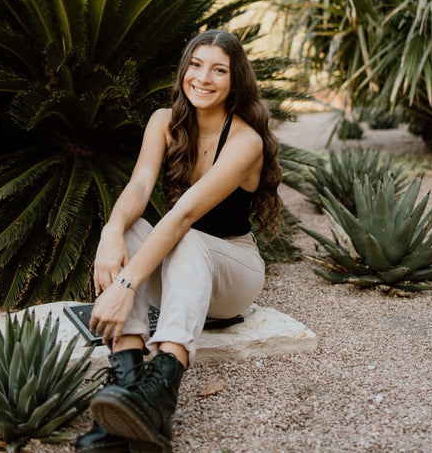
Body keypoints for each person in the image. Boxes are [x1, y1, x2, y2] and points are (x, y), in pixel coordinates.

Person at [74, 29, 283, 453]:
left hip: (233, 272)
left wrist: (125, 286)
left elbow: (185, 214)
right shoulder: (163, 121)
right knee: (132, 227)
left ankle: (162, 390)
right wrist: (111, 232)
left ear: (235, 81)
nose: (203, 78)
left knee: (184, 232)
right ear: (183, 70)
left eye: (219, 70)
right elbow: (139, 185)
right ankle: (129, 388)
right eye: (196, 65)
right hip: (184, 269)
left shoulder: (246, 141)